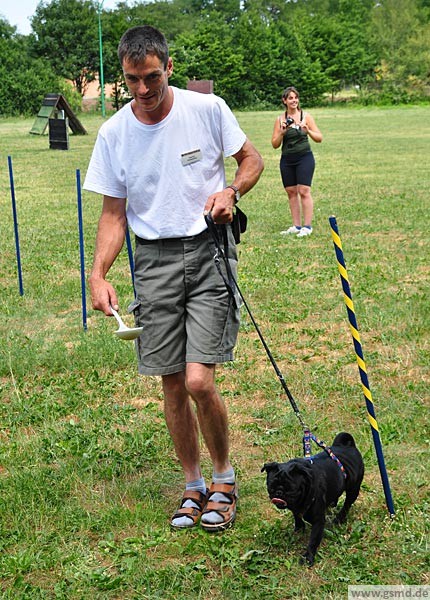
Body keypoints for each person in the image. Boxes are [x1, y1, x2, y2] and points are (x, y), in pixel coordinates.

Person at [83, 25, 264, 532]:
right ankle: (192, 485)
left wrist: (231, 192)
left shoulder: (206, 109)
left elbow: (252, 159)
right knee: (171, 382)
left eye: (152, 77)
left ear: (169, 67)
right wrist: (98, 274)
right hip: (154, 261)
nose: (142, 89)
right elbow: (113, 214)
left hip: (208, 251)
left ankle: (223, 479)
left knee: (199, 379)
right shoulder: (114, 133)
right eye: (132, 80)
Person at [271, 86, 322, 237]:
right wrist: (282, 132)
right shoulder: (280, 119)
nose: (294, 101)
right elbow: (274, 144)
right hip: (287, 159)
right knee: (291, 192)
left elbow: (319, 138)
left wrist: (308, 131)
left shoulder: (306, 117)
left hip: (304, 157)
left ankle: (307, 227)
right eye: (290, 98)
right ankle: (296, 226)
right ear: (284, 101)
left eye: (296, 98)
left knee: (304, 191)